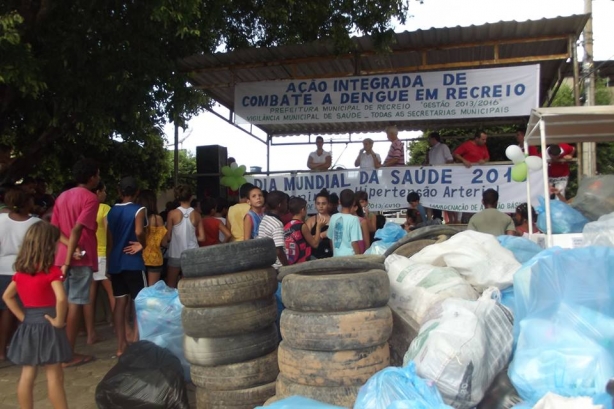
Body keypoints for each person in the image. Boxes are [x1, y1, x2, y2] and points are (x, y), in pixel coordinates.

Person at [2, 222, 71, 409]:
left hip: (29, 324)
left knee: (27, 374)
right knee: (54, 375)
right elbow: (62, 299)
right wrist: (59, 320)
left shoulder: (21, 272)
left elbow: (7, 297)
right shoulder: (51, 271)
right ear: (48, 245)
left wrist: (23, 317)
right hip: (49, 325)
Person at [51, 158, 100, 368]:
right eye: (98, 175)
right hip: (79, 259)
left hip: (61, 258)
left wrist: (67, 253)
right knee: (75, 304)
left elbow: (55, 230)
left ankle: (58, 352)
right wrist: (75, 252)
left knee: (60, 305)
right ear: (91, 178)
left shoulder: (62, 196)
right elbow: (78, 229)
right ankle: (67, 355)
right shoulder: (90, 198)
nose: (99, 178)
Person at [106, 176, 147, 357]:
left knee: (120, 302)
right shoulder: (139, 209)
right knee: (139, 301)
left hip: (116, 260)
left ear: (119, 191)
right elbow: (139, 231)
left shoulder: (112, 211)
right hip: (133, 261)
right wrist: (142, 244)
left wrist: (109, 263)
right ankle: (137, 340)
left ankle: (121, 346)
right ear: (137, 192)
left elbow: (110, 240)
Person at [0, 189, 41, 360]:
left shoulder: (1, 220)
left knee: (6, 311)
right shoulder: (35, 223)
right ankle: (28, 350)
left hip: (2, 269)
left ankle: (2, 351)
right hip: (25, 271)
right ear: (27, 203)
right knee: (28, 312)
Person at [83, 182, 114, 346]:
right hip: (101, 254)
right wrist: (110, 253)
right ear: (98, 192)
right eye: (104, 191)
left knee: (89, 296)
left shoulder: (83, 207)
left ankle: (90, 334)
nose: (105, 194)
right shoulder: (104, 208)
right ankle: (119, 326)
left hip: (87, 255)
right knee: (113, 292)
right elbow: (110, 233)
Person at [165, 185, 205, 288]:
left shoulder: (172, 214)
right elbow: (202, 237)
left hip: (176, 253)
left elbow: (168, 236)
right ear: (191, 197)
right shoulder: (197, 215)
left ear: (177, 197)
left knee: (171, 285)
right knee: (190, 286)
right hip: (192, 253)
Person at [138, 189, 168, 285]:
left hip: (139, 257)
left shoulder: (138, 218)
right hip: (154, 259)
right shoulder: (157, 219)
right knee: (152, 291)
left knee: (139, 292)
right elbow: (164, 242)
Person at [257, 191, 289, 269]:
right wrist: (287, 267)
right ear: (279, 205)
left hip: (266, 263)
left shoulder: (265, 218)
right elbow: (278, 250)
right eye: (285, 203)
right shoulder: (276, 224)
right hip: (276, 267)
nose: (287, 205)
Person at [329, 189, 363, 256]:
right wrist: (359, 258)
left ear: (339, 202)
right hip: (351, 259)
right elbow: (354, 243)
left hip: (336, 258)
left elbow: (331, 239)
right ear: (353, 202)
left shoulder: (333, 217)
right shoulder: (354, 219)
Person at [306, 189, 332, 259]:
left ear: (328, 204)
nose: (321, 206)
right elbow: (306, 240)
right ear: (315, 205)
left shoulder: (334, 219)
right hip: (315, 256)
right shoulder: (311, 221)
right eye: (318, 203)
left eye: (323, 203)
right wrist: (322, 234)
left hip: (331, 255)